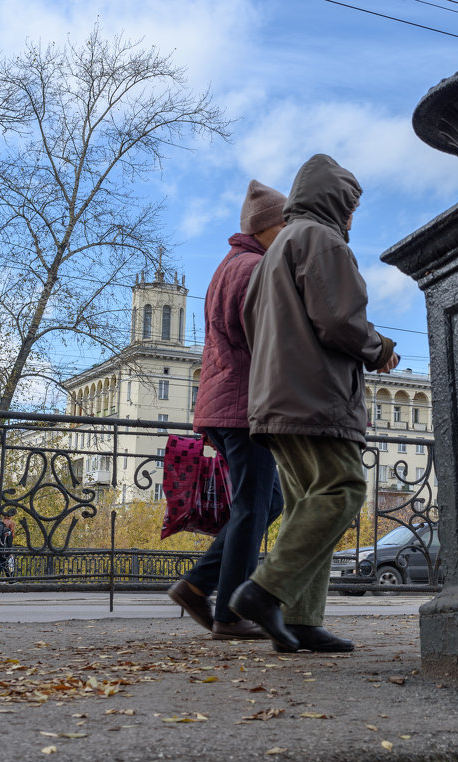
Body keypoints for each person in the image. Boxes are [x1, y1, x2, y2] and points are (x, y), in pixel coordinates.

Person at [229, 154, 399, 654]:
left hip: (275, 400)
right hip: (314, 398)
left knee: (309, 504)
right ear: (336, 203)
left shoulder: (277, 250)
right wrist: (380, 348)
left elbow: (256, 325)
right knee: (343, 489)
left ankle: (302, 620)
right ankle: (263, 591)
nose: (352, 219)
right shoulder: (322, 241)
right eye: (351, 207)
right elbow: (340, 321)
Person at [167, 179, 288, 640]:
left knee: (263, 502)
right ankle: (225, 612)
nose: (290, 233)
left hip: (225, 403)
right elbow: (263, 338)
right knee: (254, 506)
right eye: (284, 225)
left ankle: (200, 587)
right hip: (244, 405)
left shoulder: (231, 264)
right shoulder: (253, 268)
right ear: (266, 227)